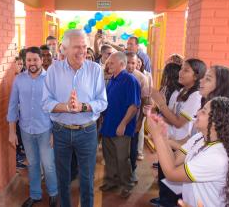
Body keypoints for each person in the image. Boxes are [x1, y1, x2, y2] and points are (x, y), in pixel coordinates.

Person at [42, 29, 107, 207]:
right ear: (64, 48)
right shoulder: (53, 71)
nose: (82, 51)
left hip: (87, 131)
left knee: (86, 179)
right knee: (63, 178)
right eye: (77, 47)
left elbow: (102, 102)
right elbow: (46, 102)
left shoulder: (95, 70)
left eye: (84, 46)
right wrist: (67, 107)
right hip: (61, 131)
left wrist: (82, 107)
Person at [147, 96, 229, 207]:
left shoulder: (216, 157)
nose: (197, 112)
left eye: (203, 111)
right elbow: (174, 160)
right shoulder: (200, 138)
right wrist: (162, 136)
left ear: (216, 122)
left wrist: (157, 136)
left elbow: (171, 174)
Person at [150, 59, 206, 207]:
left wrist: (161, 103)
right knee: (164, 173)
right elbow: (172, 116)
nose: (180, 72)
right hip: (172, 138)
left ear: (196, 76)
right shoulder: (183, 91)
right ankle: (164, 199)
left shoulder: (195, 96)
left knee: (172, 179)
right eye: (181, 69)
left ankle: (167, 201)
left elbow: (178, 121)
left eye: (186, 70)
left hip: (181, 142)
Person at [8, 47, 58, 207]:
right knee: (33, 163)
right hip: (26, 130)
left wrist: (54, 133)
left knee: (48, 164)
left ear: (41, 60)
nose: (32, 63)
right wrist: (11, 132)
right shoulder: (19, 79)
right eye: (29, 60)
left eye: (35, 60)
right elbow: (13, 105)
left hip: (46, 130)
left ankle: (53, 194)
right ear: (25, 61)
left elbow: (56, 107)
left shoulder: (50, 79)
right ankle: (35, 195)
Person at [100, 52, 141, 198]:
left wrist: (123, 124)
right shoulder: (112, 79)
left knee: (122, 158)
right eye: (108, 62)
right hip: (108, 126)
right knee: (109, 156)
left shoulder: (130, 80)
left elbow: (134, 106)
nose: (108, 65)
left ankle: (127, 185)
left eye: (111, 63)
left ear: (121, 64)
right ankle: (112, 182)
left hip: (121, 128)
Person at [125, 52, 149, 178]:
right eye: (127, 62)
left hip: (134, 118)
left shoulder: (141, 78)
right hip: (119, 118)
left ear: (137, 64)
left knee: (132, 146)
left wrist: (140, 121)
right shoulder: (117, 75)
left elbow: (145, 101)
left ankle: (132, 170)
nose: (130, 66)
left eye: (133, 63)